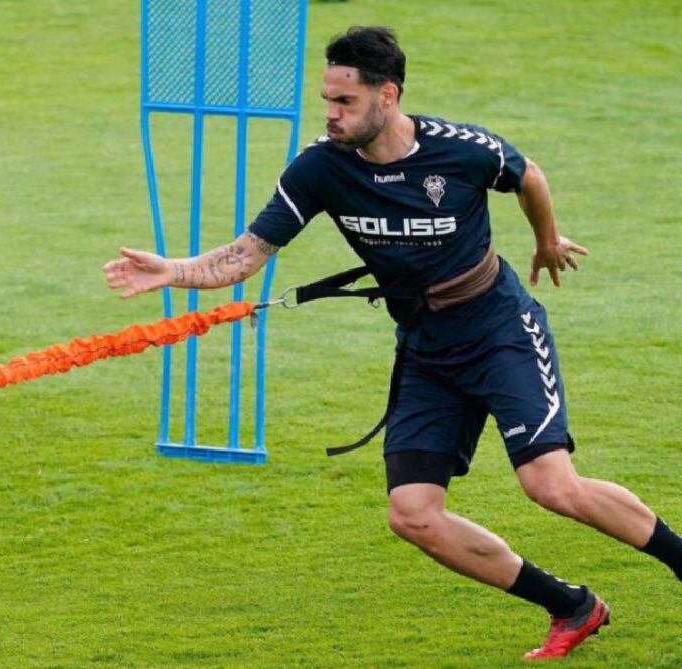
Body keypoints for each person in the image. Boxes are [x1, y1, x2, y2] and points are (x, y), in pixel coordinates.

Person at [103, 26, 680, 660]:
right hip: (426, 351)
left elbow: (528, 176)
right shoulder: (320, 167)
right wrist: (175, 270)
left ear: (388, 95)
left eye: (344, 102)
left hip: (498, 331)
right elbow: (247, 254)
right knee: (411, 514)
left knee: (550, 486)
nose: (331, 113)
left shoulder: (460, 150)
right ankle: (573, 607)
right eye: (326, 99)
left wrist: (546, 239)